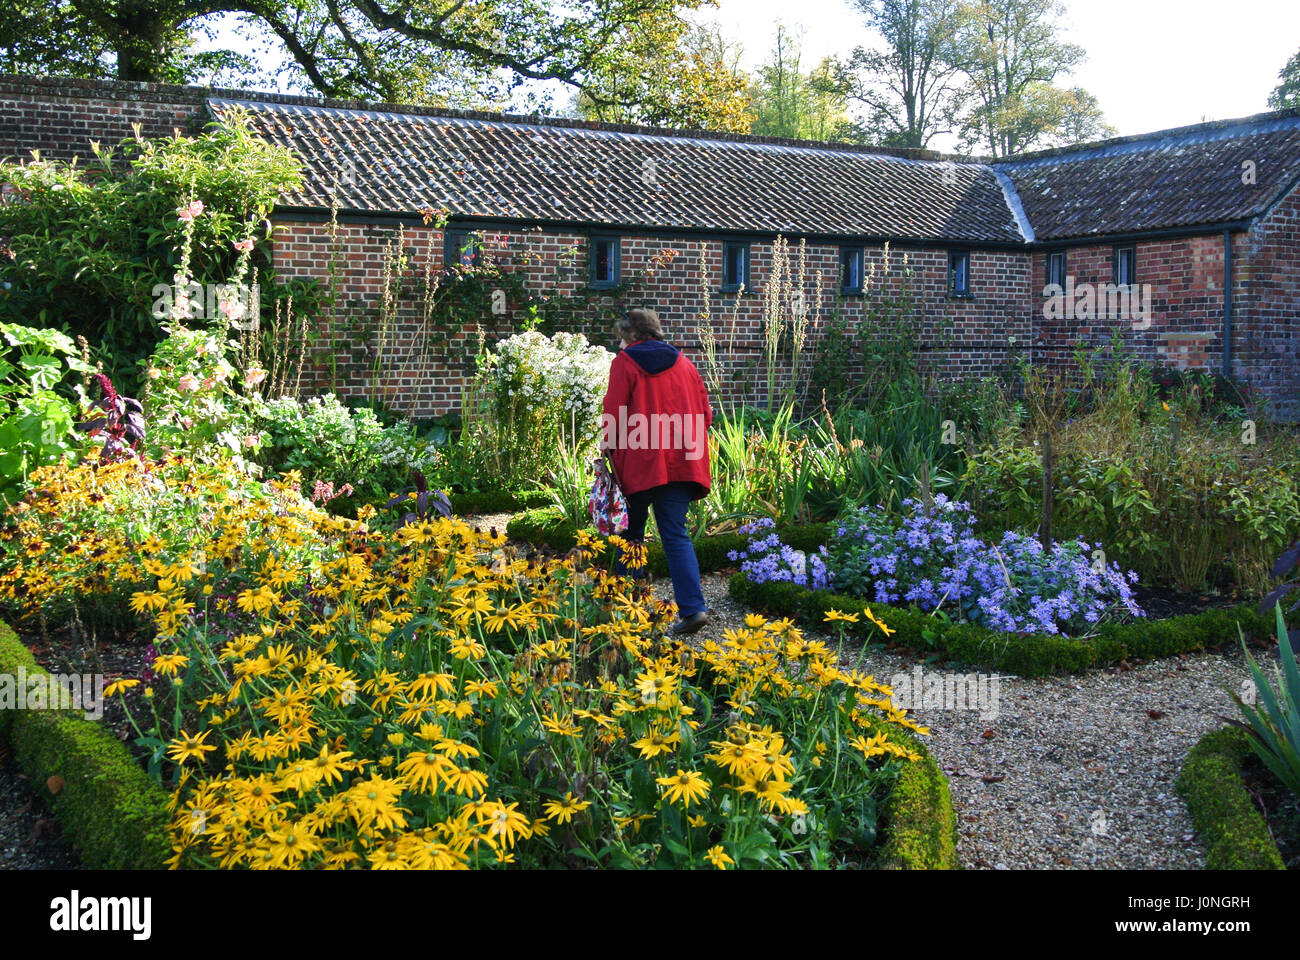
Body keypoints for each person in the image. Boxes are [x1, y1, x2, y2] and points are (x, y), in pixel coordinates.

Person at [600, 307, 714, 635]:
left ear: (629, 335)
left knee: (631, 536)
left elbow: (614, 412)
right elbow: (705, 414)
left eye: (621, 336)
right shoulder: (684, 364)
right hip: (681, 461)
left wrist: (608, 449)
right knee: (675, 535)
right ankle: (693, 610)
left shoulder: (625, 363)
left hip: (640, 463)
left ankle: (625, 612)